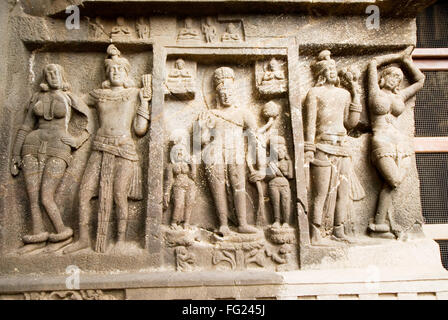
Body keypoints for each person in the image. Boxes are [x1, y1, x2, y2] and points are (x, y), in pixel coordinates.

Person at [64, 44, 151, 253]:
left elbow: (140, 130)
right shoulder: (98, 94)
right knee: (84, 193)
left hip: (124, 149)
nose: (115, 72)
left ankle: (120, 240)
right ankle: (83, 238)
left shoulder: (133, 93)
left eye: (120, 69)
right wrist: (62, 91)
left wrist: (145, 102)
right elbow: (75, 102)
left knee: (119, 195)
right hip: (100, 147)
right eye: (111, 69)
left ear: (126, 73)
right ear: (106, 73)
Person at [11, 64, 91, 253]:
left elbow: (90, 121)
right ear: (45, 77)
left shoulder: (69, 98)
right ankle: (38, 236)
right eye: (49, 73)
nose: (53, 75)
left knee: (46, 196)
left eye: (56, 72)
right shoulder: (37, 97)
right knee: (32, 196)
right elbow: (25, 126)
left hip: (59, 146)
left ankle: (62, 233)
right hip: (32, 144)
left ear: (62, 75)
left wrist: (77, 140)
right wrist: (15, 153)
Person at [304, 50, 363, 244]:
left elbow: (351, 123)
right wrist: (309, 148)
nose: (332, 71)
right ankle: (315, 232)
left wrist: (355, 94)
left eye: (333, 68)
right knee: (320, 193)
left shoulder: (344, 94)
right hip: (323, 146)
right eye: (328, 69)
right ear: (321, 73)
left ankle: (339, 229)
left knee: (343, 193)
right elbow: (310, 124)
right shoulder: (314, 93)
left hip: (342, 146)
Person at [367, 46, 425, 239]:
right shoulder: (375, 92)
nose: (396, 80)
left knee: (391, 184)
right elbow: (373, 63)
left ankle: (379, 224)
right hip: (380, 140)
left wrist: (406, 61)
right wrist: (396, 56)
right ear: (384, 77)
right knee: (394, 179)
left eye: (399, 79)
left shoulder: (399, 96)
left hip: (400, 144)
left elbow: (420, 80)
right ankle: (383, 223)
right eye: (392, 76)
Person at [199, 67, 265, 236]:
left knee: (239, 186)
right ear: (217, 95)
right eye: (223, 91)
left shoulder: (243, 113)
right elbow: (202, 141)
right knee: (218, 188)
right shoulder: (211, 114)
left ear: (236, 93)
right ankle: (222, 224)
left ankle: (242, 223)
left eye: (230, 91)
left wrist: (262, 167)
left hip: (235, 153)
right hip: (214, 154)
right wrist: (201, 127)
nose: (227, 95)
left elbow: (256, 139)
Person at [163, 137, 197, 229]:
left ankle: (186, 223)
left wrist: (193, 165)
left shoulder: (187, 164)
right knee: (179, 204)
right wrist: (166, 193)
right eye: (177, 150)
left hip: (190, 185)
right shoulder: (170, 166)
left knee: (189, 204)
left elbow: (194, 177)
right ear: (173, 153)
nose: (180, 152)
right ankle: (173, 222)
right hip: (178, 185)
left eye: (181, 150)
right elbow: (169, 180)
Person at [266, 136, 293, 228]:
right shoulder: (271, 163)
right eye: (277, 151)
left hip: (284, 184)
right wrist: (274, 171)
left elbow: (290, 176)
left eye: (282, 151)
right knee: (275, 203)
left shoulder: (288, 162)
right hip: (273, 184)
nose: (280, 153)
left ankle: (286, 222)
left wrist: (282, 171)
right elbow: (268, 176)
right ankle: (276, 221)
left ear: (285, 151)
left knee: (285, 203)